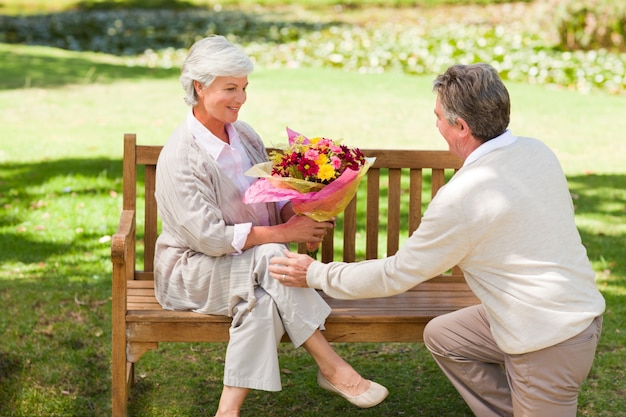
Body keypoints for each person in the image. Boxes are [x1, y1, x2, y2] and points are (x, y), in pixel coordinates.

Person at [269, 63, 605, 417]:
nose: (436, 124)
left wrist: (316, 274)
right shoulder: (537, 151)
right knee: (446, 336)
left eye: (439, 117)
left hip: (549, 340)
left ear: (461, 127)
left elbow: (396, 275)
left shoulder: (463, 197)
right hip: (568, 312)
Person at [152, 35, 388, 417]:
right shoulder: (181, 155)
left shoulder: (244, 135)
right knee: (274, 256)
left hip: (250, 270)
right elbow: (209, 238)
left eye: (244, 87)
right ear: (199, 86)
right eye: (230, 88)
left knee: (262, 301)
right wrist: (282, 235)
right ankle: (332, 367)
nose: (241, 98)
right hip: (191, 270)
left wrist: (306, 208)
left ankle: (226, 412)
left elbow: (268, 197)